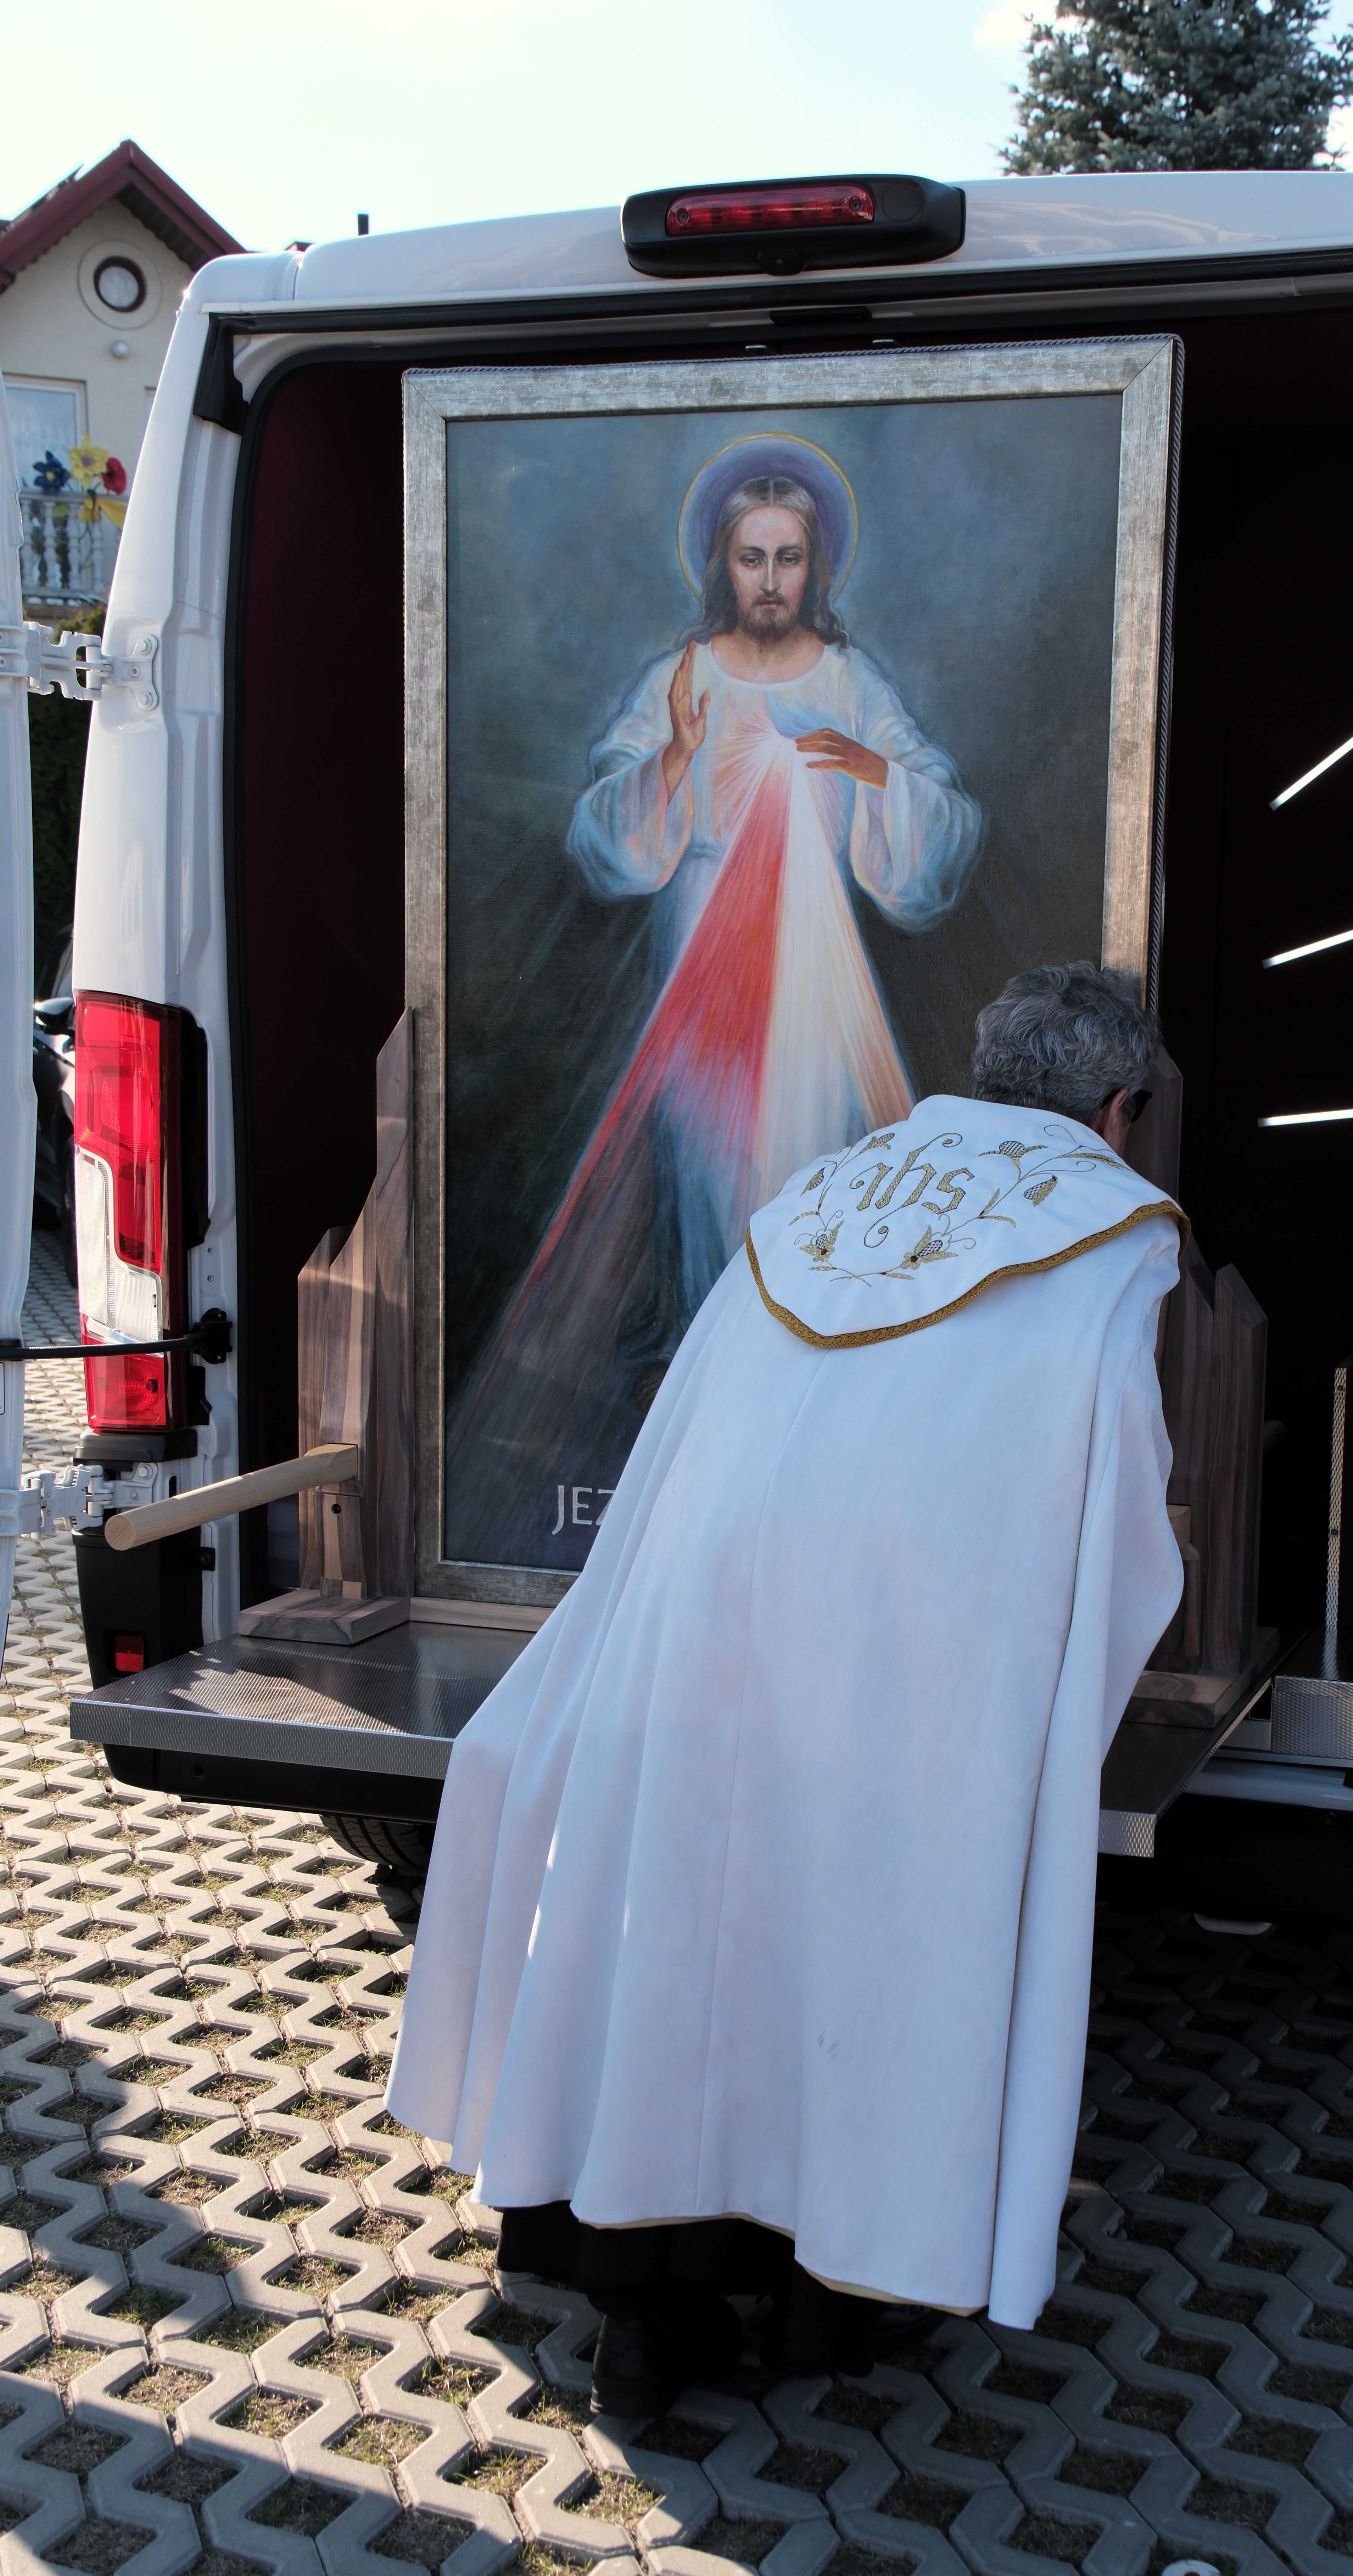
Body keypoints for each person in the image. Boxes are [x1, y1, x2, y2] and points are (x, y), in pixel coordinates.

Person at [392, 962, 1186, 2415]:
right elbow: (1116, 1497)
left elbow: (693, 1418)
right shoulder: (1110, 1233)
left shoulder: (826, 1192)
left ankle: (639, 2320)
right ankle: (840, 2296)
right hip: (905, 1648)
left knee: (679, 1931)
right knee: (855, 1950)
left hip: (701, 1618)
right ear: (1119, 1107)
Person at [444, 447, 982, 1562]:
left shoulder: (853, 683)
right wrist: (676, 756)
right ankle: (721, 1445)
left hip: (818, 974)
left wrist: (873, 776)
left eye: (789, 559)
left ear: (817, 565)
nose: (771, 581)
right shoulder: (680, 676)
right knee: (706, 1185)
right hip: (704, 966)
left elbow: (937, 821)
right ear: (720, 565)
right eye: (751, 559)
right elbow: (604, 837)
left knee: (816, 1181)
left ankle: (810, 1441)